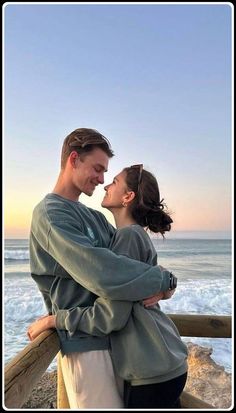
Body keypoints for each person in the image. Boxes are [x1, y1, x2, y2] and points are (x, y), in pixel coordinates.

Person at [28, 128, 177, 409]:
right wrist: (162, 280)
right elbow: (104, 274)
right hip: (85, 347)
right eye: (97, 169)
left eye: (106, 172)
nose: (102, 179)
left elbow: (129, 266)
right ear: (74, 159)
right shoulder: (51, 213)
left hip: (116, 344)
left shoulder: (95, 217)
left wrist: (168, 282)